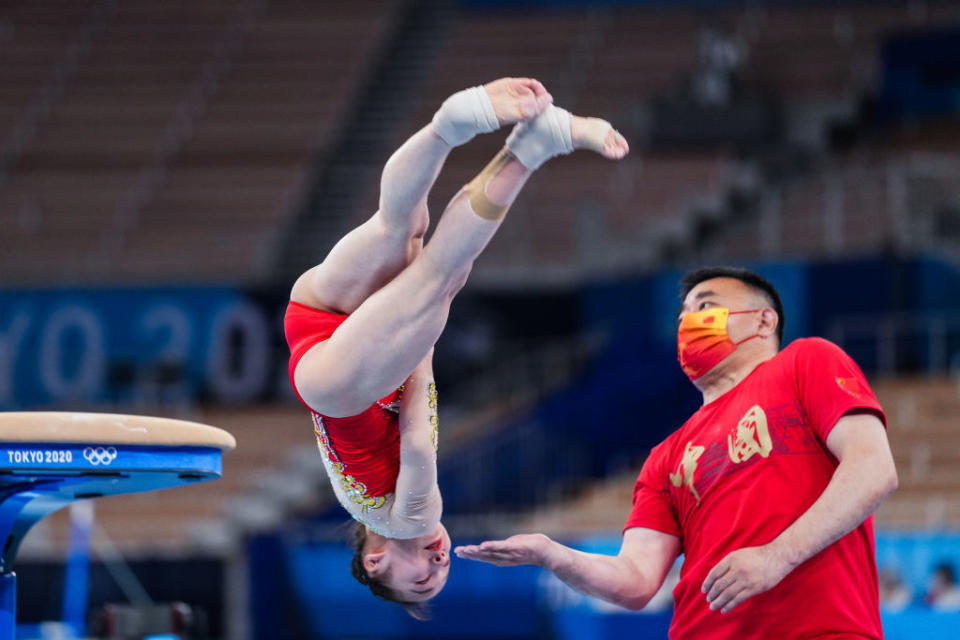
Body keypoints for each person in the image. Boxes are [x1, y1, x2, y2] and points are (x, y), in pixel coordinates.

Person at [283, 77, 629, 618]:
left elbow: (419, 444)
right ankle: (454, 123)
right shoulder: (375, 509)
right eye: (441, 577)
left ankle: (535, 144)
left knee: (441, 272)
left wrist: (425, 344)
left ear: (376, 563)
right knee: (401, 227)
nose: (437, 567)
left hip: (342, 383)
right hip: (314, 332)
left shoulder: (409, 521)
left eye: (419, 583)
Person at [456, 266, 899, 638]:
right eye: (683, 315)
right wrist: (553, 554)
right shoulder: (665, 457)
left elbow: (873, 470)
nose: (688, 323)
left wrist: (775, 557)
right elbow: (635, 581)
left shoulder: (806, 362)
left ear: (764, 321)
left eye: (705, 307)